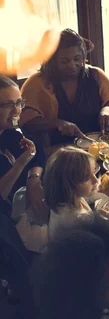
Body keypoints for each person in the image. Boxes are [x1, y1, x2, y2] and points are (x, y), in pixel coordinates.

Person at [19, 29, 109, 144]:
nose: (72, 65)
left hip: (98, 145)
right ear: (51, 60)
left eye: (77, 59)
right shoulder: (37, 83)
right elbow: (25, 123)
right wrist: (57, 123)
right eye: (65, 61)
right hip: (58, 150)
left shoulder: (96, 76)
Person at [44, 146, 109, 241]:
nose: (95, 180)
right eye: (86, 178)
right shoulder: (76, 218)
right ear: (68, 185)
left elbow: (88, 197)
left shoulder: (67, 198)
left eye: (94, 172)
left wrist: (107, 191)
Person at [0, 76, 46, 222]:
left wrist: (34, 178)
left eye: (19, 103)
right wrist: (20, 163)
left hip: (25, 202)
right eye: (8, 105)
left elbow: (37, 149)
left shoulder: (10, 131)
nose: (16, 111)